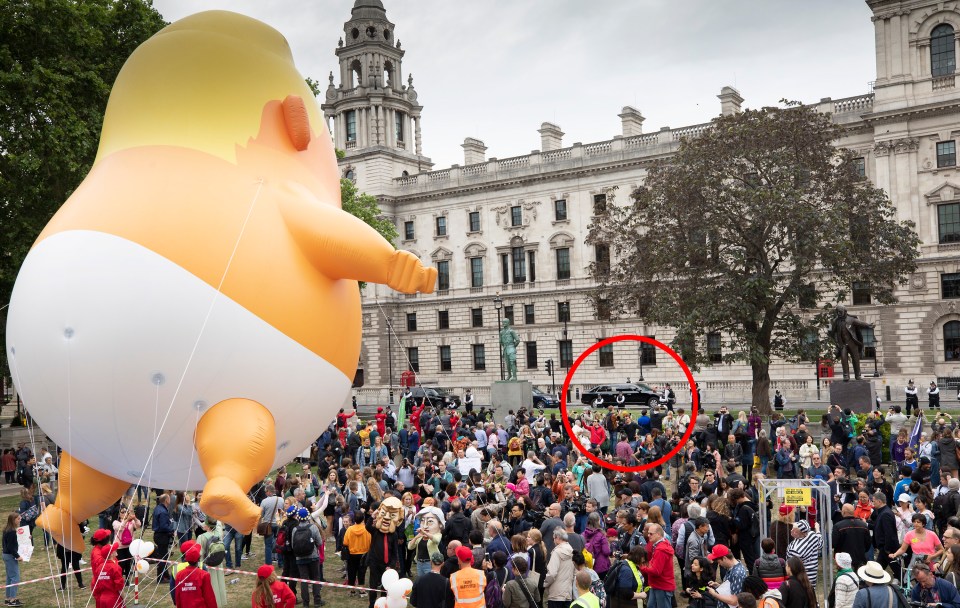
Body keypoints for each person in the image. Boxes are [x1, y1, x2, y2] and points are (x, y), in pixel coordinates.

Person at [291, 507, 324, 607]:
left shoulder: (295, 529)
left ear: (298, 517)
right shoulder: (313, 527)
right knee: (315, 578)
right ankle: (317, 601)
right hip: (313, 557)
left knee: (304, 580)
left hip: (300, 558)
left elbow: (293, 545)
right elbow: (319, 542)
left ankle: (306, 603)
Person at [639, 523, 675, 608]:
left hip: (662, 586)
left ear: (658, 534)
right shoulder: (660, 545)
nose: (648, 535)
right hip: (657, 585)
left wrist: (641, 567)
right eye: (648, 533)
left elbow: (656, 571)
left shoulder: (661, 550)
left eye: (651, 534)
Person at [543, 528, 575, 608]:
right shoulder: (572, 551)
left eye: (553, 538)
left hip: (556, 593)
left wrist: (545, 584)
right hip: (568, 593)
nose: (553, 540)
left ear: (557, 538)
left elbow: (552, 573)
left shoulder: (557, 552)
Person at [785, 521, 822, 586]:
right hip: (812, 576)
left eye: (793, 529)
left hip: (802, 578)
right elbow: (820, 544)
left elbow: (791, 565)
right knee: (811, 593)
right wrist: (818, 530)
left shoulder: (795, 549)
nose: (791, 530)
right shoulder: (812, 535)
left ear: (796, 532)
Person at [92, 543, 125, 608]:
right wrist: (124, 598)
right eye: (115, 550)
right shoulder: (115, 567)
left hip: (102, 599)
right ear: (111, 554)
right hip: (114, 599)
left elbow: (95, 584)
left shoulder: (99, 567)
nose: (116, 550)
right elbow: (119, 586)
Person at [153, 493, 176, 583]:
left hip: (159, 535)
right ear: (166, 500)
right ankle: (161, 578)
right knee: (163, 557)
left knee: (163, 556)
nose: (170, 500)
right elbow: (163, 526)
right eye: (169, 498)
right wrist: (172, 530)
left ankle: (165, 575)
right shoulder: (163, 511)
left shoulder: (158, 508)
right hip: (162, 535)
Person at [2, 513, 22, 607]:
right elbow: (11, 547)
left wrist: (28, 538)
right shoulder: (11, 532)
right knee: (15, 577)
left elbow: (13, 543)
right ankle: (12, 600)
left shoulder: (7, 530)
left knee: (10, 577)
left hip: (6, 555)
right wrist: (17, 556)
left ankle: (8, 598)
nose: (20, 520)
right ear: (13, 520)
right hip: (10, 556)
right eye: (18, 519)